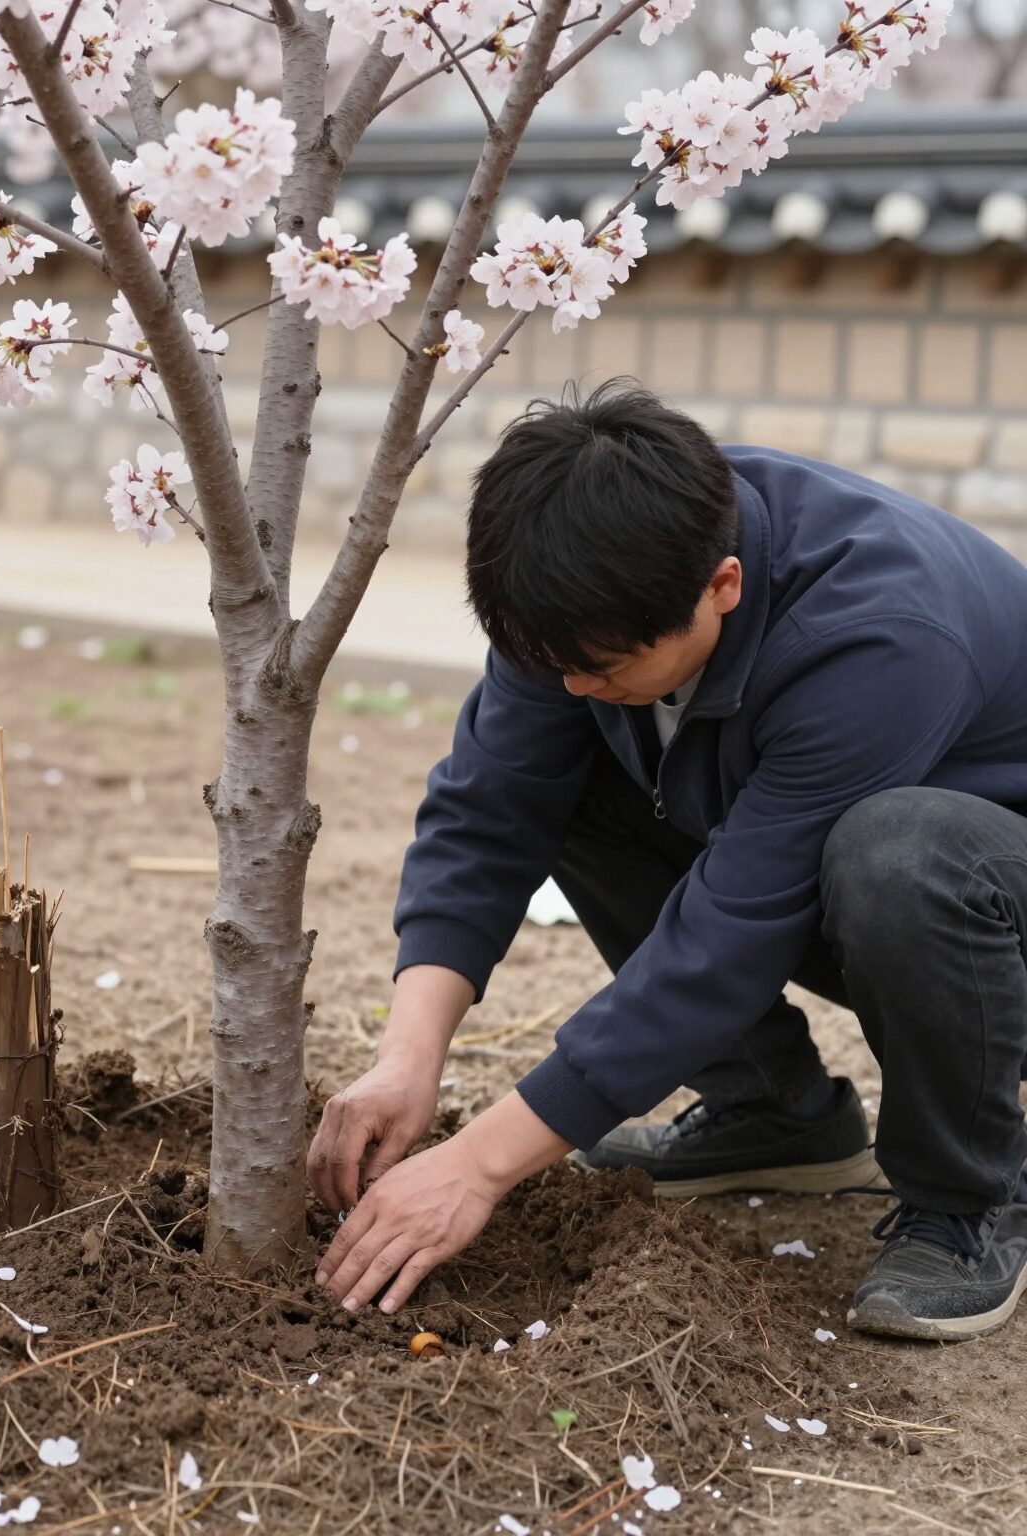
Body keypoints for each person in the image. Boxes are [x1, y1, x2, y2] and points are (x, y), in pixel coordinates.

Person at [308, 380, 1027, 1342]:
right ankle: (775, 1115)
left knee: (898, 849)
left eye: (600, 667)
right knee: (576, 782)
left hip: (987, 903)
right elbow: (490, 809)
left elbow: (730, 931)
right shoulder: (592, 565)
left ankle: (973, 1195)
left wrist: (479, 1163)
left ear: (722, 586)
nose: (572, 684)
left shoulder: (879, 634)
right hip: (856, 874)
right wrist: (408, 1060)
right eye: (552, 662)